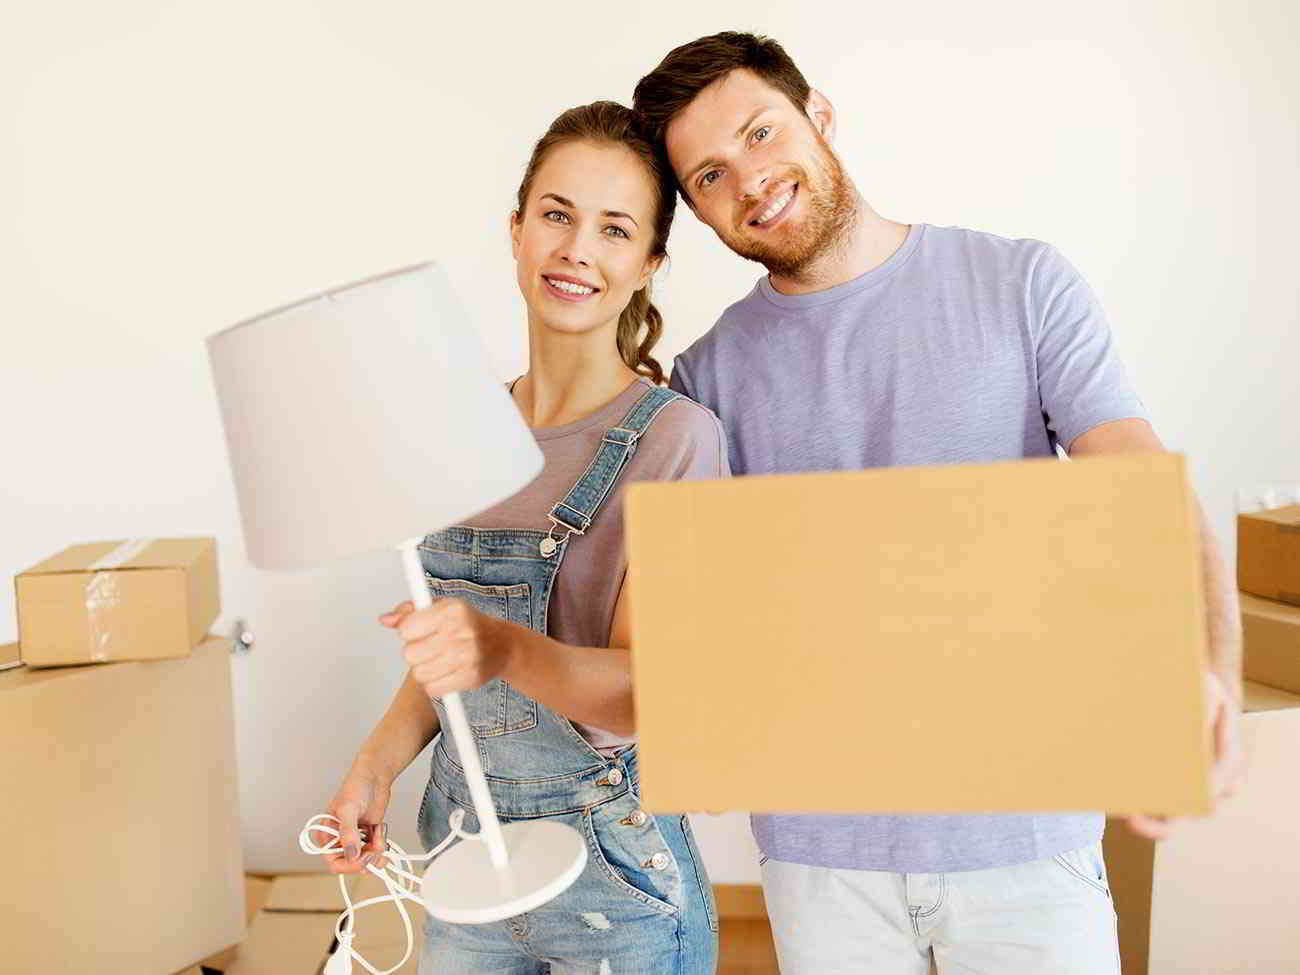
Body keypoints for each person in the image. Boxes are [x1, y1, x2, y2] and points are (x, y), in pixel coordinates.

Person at [631, 32, 1245, 974]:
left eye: (761, 133)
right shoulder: (706, 377)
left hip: (1028, 836)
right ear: (698, 211)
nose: (749, 180)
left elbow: (1144, 487)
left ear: (820, 118)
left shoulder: (1020, 283)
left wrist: (1209, 676)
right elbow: (710, 618)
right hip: (819, 857)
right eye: (710, 174)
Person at [319, 100, 725, 974]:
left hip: (617, 888)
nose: (578, 248)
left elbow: (648, 696)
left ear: (650, 263)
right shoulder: (459, 433)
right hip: (463, 861)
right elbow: (446, 663)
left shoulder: (676, 438)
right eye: (556, 214)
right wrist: (374, 766)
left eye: (615, 229)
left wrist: (500, 646)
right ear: (516, 231)